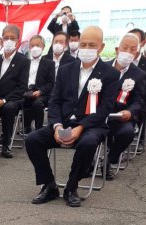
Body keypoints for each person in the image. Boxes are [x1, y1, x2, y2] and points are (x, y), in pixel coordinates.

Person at [25, 26, 119, 208]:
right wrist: (57, 126)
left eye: (92, 45)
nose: (86, 48)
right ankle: (49, 185)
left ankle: (71, 186)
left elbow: (105, 108)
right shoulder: (66, 69)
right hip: (64, 123)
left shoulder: (110, 74)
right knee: (33, 139)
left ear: (101, 47)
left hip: (92, 126)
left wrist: (81, 127)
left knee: (88, 143)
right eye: (83, 44)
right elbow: (54, 101)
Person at [105, 33, 146, 179]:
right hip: (101, 114)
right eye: (125, 48)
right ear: (117, 49)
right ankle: (90, 161)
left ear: (136, 54)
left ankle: (110, 160)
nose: (128, 52)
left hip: (122, 116)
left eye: (132, 49)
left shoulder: (139, 74)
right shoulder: (103, 67)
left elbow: (139, 100)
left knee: (127, 133)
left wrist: (130, 112)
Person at [0, 24, 30, 158]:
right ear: (2, 39)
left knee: (8, 108)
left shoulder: (23, 61)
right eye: (6, 37)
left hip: (14, 99)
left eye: (12, 38)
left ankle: (6, 144)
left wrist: (4, 100)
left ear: (17, 41)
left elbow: (22, 87)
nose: (8, 40)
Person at [23, 34, 55, 135]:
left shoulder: (50, 63)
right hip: (26, 90)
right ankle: (26, 127)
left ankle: (38, 129)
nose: (34, 48)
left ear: (43, 47)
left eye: (38, 45)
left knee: (37, 103)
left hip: (42, 93)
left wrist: (40, 91)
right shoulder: (25, 62)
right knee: (23, 101)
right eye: (32, 45)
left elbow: (51, 83)